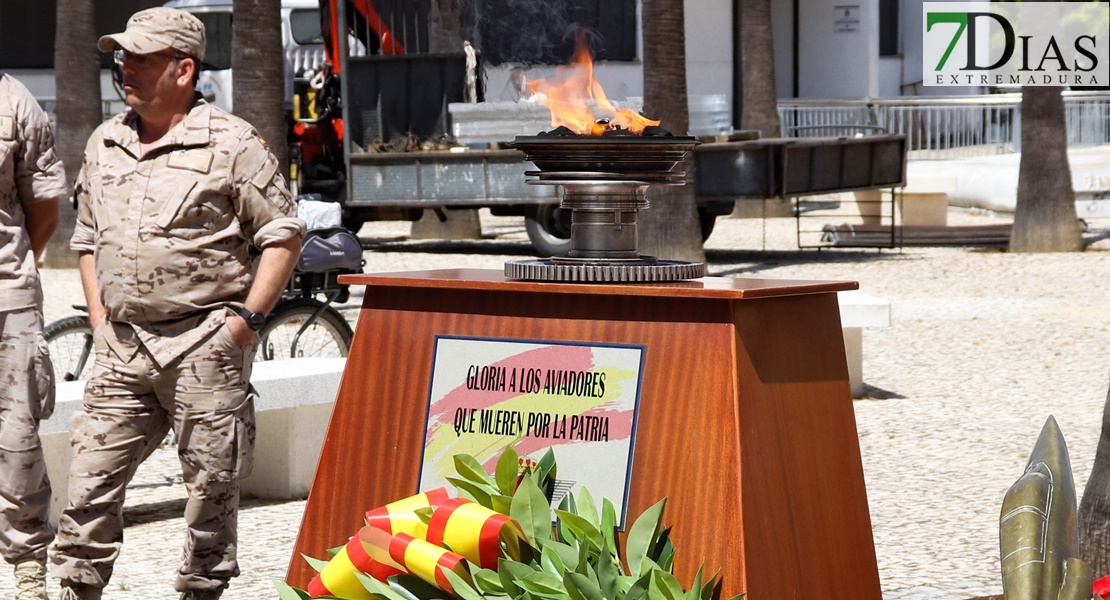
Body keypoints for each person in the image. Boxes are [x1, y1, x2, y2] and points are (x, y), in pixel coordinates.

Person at [49, 7, 305, 600]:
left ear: (183, 69)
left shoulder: (231, 142)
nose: (125, 68)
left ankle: (201, 593)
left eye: (141, 57)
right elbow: (86, 238)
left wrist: (244, 323)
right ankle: (77, 591)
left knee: (211, 494)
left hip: (203, 347)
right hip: (123, 348)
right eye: (122, 56)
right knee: (88, 487)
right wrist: (97, 318)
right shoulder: (104, 142)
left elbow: (282, 236)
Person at [0, 72, 65, 600]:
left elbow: (43, 209)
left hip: (6, 299)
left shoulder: (15, 101)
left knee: (17, 440)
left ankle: (27, 571)